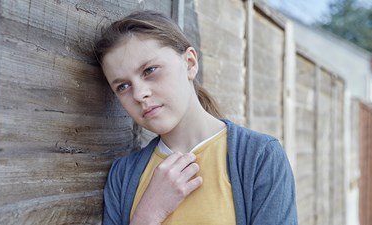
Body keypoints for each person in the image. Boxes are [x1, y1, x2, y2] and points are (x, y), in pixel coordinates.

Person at [94, 10, 297, 225]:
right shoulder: (122, 176)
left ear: (190, 63)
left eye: (150, 70)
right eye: (123, 86)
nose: (139, 94)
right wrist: (148, 214)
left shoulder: (260, 156)